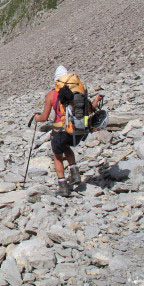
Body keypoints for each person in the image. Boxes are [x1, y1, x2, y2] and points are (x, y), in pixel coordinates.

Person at [34, 65, 103, 197]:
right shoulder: (78, 92)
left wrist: (36, 118)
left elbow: (44, 117)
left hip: (59, 131)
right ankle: (75, 172)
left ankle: (63, 186)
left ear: (57, 81)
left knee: (57, 157)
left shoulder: (52, 95)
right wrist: (96, 100)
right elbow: (89, 110)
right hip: (76, 131)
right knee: (66, 148)